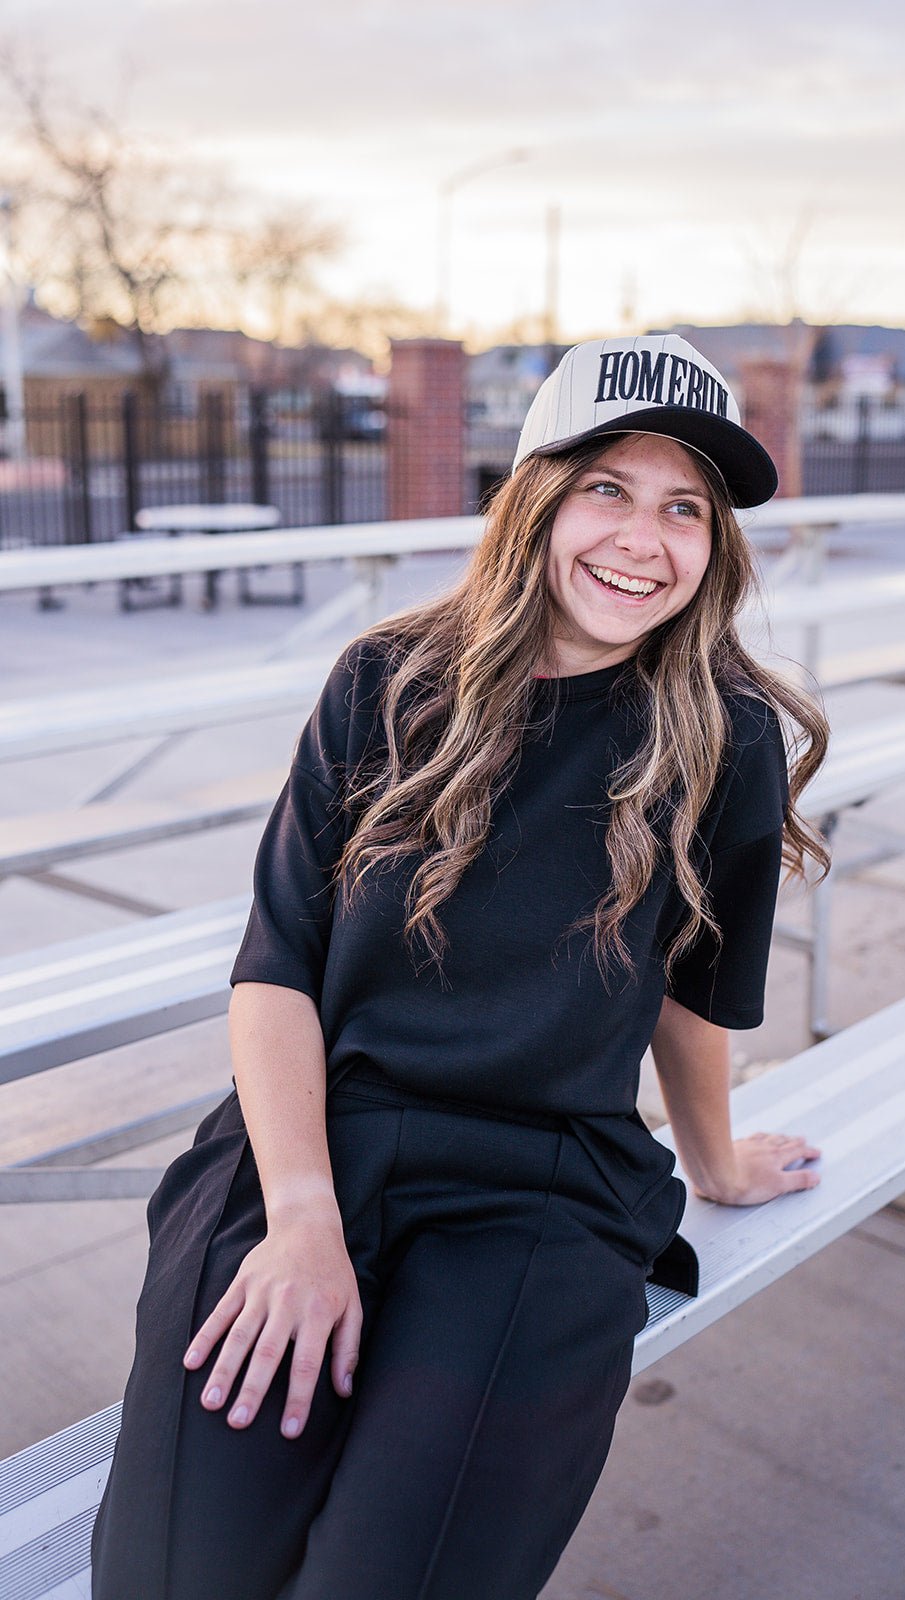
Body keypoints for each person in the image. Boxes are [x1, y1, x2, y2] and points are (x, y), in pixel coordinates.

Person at [91, 332, 831, 1600]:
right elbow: (276, 970)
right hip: (308, 1148)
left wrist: (713, 1162)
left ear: (716, 544)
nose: (642, 539)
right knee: (179, 1574)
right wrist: (302, 1219)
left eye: (684, 509)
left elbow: (691, 993)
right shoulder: (387, 682)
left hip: (538, 1189)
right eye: (606, 487)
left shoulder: (726, 736)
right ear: (534, 497)